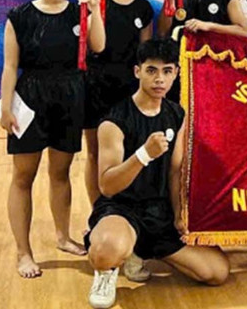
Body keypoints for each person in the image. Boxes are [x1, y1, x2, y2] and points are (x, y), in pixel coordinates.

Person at [85, 38, 229, 308]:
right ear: (138, 71)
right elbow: (107, 186)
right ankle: (107, 272)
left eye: (167, 71)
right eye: (151, 70)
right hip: (122, 209)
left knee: (216, 272)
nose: (159, 79)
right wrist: (143, 155)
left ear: (176, 73)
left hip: (159, 213)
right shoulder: (114, 121)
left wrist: (178, 215)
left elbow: (175, 172)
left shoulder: (177, 114)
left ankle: (143, 250)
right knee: (106, 251)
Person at [0, 0, 104, 278]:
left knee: (61, 173)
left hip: (70, 97)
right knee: (23, 176)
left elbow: (98, 46)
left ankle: (62, 236)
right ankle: (23, 251)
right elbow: (10, 66)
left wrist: (96, 7)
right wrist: (5, 106)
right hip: (30, 99)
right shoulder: (19, 15)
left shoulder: (79, 12)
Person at [83, 0, 154, 205]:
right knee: (94, 153)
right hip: (96, 86)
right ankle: (97, 212)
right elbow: (91, 44)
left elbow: (144, 54)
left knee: (130, 151)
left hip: (129, 90)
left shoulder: (144, 8)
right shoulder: (97, 1)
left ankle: (129, 209)